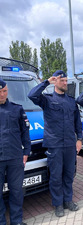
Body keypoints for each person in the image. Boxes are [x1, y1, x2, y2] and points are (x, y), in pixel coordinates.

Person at [28, 70, 83, 217]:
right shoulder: (47, 99)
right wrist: (46, 82)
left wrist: (79, 140)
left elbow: (77, 122)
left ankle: (68, 200)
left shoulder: (72, 101)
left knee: (69, 174)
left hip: (70, 144)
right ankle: (58, 204)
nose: (65, 83)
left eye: (66, 81)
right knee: (56, 176)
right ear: (55, 82)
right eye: (62, 81)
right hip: (55, 145)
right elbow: (31, 95)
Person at [0, 79, 30, 225]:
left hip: (14, 157)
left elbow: (25, 132)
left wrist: (26, 151)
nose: (2, 94)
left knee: (16, 191)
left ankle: (16, 221)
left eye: (4, 91)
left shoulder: (16, 109)